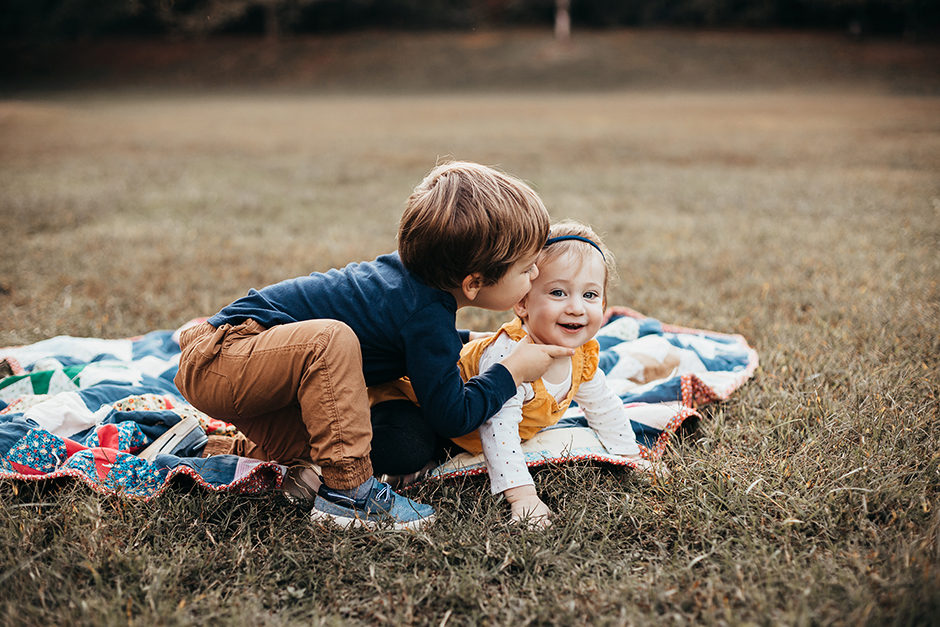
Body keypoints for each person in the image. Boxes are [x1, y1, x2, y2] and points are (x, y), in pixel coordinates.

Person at [174, 161, 574, 531]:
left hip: (249, 371)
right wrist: (511, 372)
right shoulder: (425, 315)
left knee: (340, 438)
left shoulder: (412, 292)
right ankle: (348, 497)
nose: (536, 272)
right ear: (473, 283)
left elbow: (424, 348)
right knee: (331, 341)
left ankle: (213, 448)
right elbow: (454, 416)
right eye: (527, 269)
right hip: (224, 356)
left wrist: (475, 343)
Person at [451, 220, 659, 528]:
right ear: (522, 302)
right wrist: (523, 497)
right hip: (436, 415)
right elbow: (498, 429)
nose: (576, 308)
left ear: (603, 304)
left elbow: (602, 405)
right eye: (559, 292)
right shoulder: (511, 356)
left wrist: (630, 457)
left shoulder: (583, 354)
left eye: (589, 296)